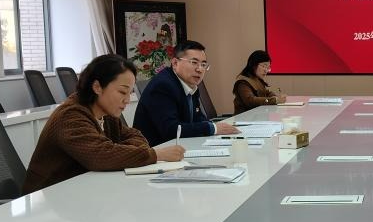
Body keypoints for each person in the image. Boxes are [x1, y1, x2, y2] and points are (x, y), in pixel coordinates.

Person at [23, 54, 185, 194]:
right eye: (122, 92)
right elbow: (102, 155)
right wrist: (156, 155)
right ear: (97, 87)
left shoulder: (105, 114)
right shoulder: (70, 116)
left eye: (129, 93)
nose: (127, 100)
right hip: (49, 200)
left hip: (81, 192)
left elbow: (134, 135)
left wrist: (125, 151)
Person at [133, 40, 239, 146]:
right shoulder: (163, 86)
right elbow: (172, 130)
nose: (200, 69)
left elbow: (197, 118)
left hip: (180, 145)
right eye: (194, 62)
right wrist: (213, 128)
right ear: (175, 63)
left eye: (203, 64)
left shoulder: (190, 85)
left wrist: (215, 126)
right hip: (155, 150)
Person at [233, 50, 287, 114]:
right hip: (244, 118)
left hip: (258, 116)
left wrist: (276, 97)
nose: (266, 71)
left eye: (268, 67)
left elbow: (266, 93)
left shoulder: (257, 79)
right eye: (264, 66)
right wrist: (274, 100)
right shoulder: (243, 82)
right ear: (253, 65)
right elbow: (250, 101)